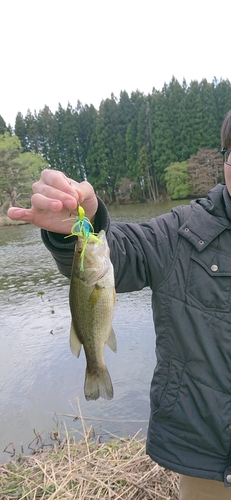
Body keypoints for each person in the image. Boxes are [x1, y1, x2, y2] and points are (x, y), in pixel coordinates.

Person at [7, 110, 231, 500]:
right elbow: (124, 251)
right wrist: (84, 226)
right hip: (210, 462)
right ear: (225, 160)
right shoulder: (183, 232)